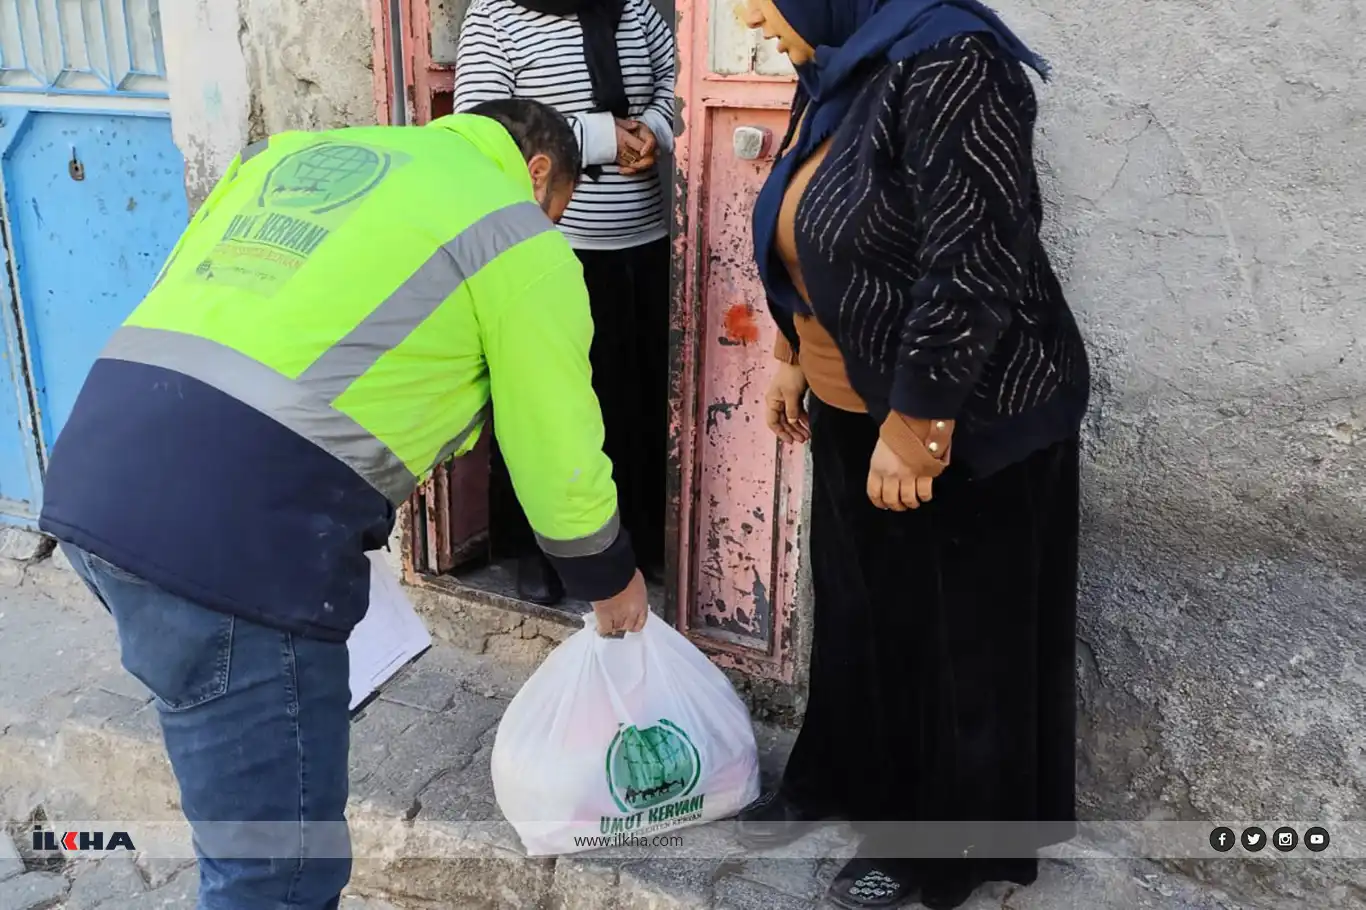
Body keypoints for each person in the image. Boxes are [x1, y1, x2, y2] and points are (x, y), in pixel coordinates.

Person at [37, 98, 649, 910]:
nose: (555, 226)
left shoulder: (291, 155)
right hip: (232, 545)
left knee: (242, 789)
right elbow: (557, 453)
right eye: (562, 211)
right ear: (539, 173)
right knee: (277, 875)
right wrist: (611, 582)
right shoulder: (515, 230)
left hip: (96, 474)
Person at [735, 2, 1091, 908]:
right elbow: (819, 228)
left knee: (959, 644)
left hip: (964, 418)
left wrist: (918, 427)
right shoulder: (841, 67)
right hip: (855, 396)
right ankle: (845, 780)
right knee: (860, 610)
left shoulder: (953, 62)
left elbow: (975, 257)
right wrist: (789, 354)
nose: (748, 14)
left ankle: (946, 851)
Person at [453, 0, 676, 605]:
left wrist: (651, 130)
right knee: (547, 401)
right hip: (549, 245)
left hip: (642, 236)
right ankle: (537, 551)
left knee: (632, 400)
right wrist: (605, 136)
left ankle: (629, 545)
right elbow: (484, 127)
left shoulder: (634, 10)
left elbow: (671, 85)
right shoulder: (496, 16)